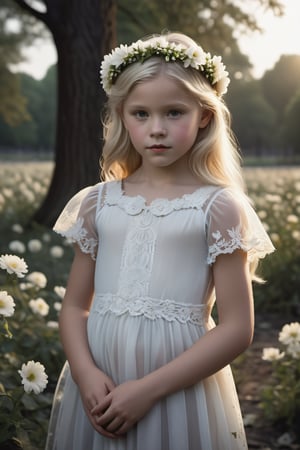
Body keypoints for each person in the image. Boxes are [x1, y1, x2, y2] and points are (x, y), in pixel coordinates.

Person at [45, 32, 275, 450]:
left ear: (204, 115)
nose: (156, 129)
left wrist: (148, 390)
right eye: (140, 114)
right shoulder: (98, 203)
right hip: (100, 387)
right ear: (121, 115)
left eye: (173, 113)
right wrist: (85, 373)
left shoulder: (218, 207)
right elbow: (76, 306)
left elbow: (238, 328)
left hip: (177, 392)